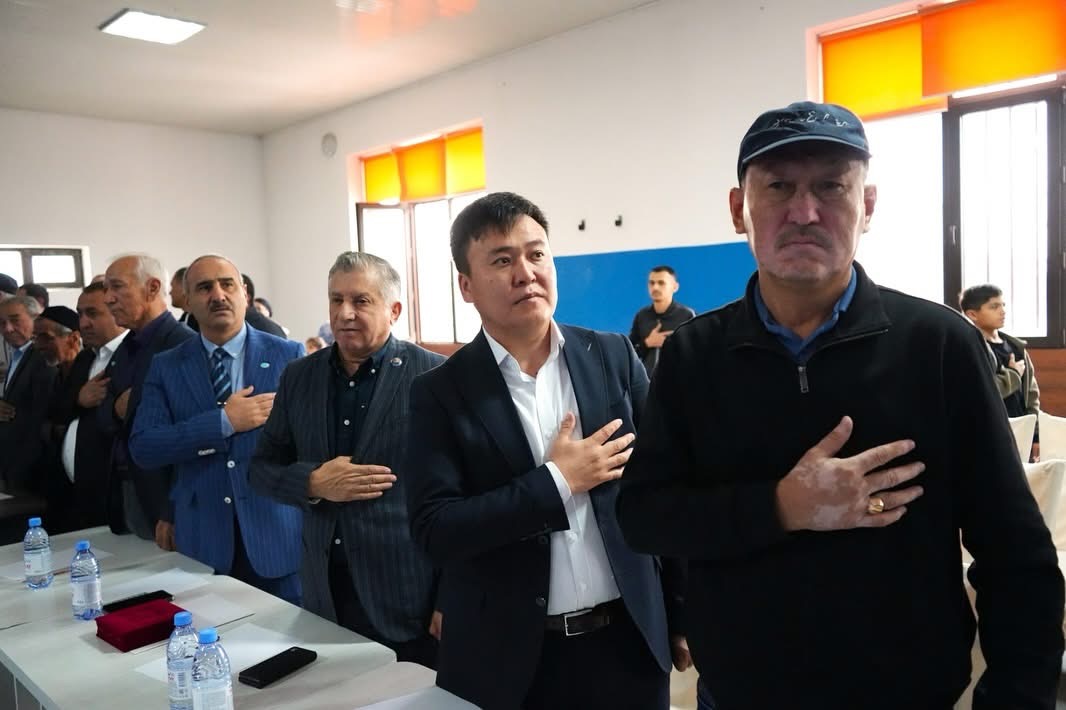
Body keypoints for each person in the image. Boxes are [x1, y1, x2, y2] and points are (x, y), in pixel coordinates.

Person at [616, 101, 1065, 710]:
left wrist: (1017, 694)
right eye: (779, 187)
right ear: (739, 208)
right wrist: (781, 506)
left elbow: (1015, 551)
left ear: (867, 205)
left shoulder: (938, 345)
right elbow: (645, 515)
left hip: (908, 692)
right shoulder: (695, 355)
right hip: (743, 691)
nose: (805, 212)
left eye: (831, 186)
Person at [406, 192, 684, 710]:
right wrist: (557, 482)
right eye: (502, 260)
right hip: (510, 661)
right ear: (466, 286)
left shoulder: (611, 356)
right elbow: (434, 530)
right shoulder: (439, 392)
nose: (525, 273)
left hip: (629, 642)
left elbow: (663, 489)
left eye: (536, 254)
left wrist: (681, 613)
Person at [251, 252, 444, 664]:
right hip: (324, 593)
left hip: (408, 596)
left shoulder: (432, 377)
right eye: (336, 300)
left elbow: (458, 496)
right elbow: (261, 469)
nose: (345, 313)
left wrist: (449, 596)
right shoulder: (299, 376)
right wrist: (312, 482)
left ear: (394, 310)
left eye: (361, 301)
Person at [129, 255, 304, 603]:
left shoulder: (288, 355)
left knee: (289, 634)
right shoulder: (167, 366)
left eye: (227, 285)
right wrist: (223, 423)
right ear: (187, 300)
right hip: (203, 540)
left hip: (276, 538)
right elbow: (145, 446)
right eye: (204, 287)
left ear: (245, 294)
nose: (218, 295)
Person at [100, 254, 195, 547]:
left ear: (152, 288)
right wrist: (116, 409)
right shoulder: (126, 347)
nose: (108, 298)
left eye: (117, 287)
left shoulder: (183, 345)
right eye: (106, 289)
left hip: (165, 498)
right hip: (129, 490)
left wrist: (171, 509)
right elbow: (104, 414)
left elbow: (189, 436)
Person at [49, 283, 128, 531]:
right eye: (80, 314)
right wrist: (79, 400)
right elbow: (58, 408)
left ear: (117, 311)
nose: (83, 323)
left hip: (116, 491)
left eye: (92, 314)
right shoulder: (86, 357)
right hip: (77, 491)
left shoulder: (132, 356)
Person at [961, 284, 1040, 460]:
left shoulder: (1016, 347)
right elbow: (980, 392)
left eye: (1003, 305)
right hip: (988, 434)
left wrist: (1036, 436)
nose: (1002, 311)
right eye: (994, 306)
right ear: (972, 314)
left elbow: (1032, 395)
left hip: (1021, 432)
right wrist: (1013, 375)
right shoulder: (970, 349)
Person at [0, 295, 56, 493]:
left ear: (35, 319)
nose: (8, 329)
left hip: (33, 469)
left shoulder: (44, 357)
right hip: (13, 464)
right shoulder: (18, 355)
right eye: (2, 323)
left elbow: (41, 415)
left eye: (15, 320)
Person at [628, 265, 695, 375]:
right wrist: (647, 343)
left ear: (675, 287)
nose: (655, 287)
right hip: (648, 382)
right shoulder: (642, 316)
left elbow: (698, 352)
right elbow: (628, 354)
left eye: (661, 283)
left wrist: (672, 344)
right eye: (651, 283)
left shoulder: (687, 316)